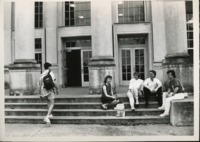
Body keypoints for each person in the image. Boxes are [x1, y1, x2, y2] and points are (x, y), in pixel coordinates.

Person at [39, 62, 59, 126]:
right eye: (51, 66)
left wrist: (40, 92)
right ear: (49, 67)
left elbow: (40, 83)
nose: (52, 68)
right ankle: (47, 117)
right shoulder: (50, 72)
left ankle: (49, 116)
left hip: (44, 90)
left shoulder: (42, 74)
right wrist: (57, 89)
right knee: (52, 103)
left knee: (48, 102)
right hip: (50, 89)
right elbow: (53, 82)